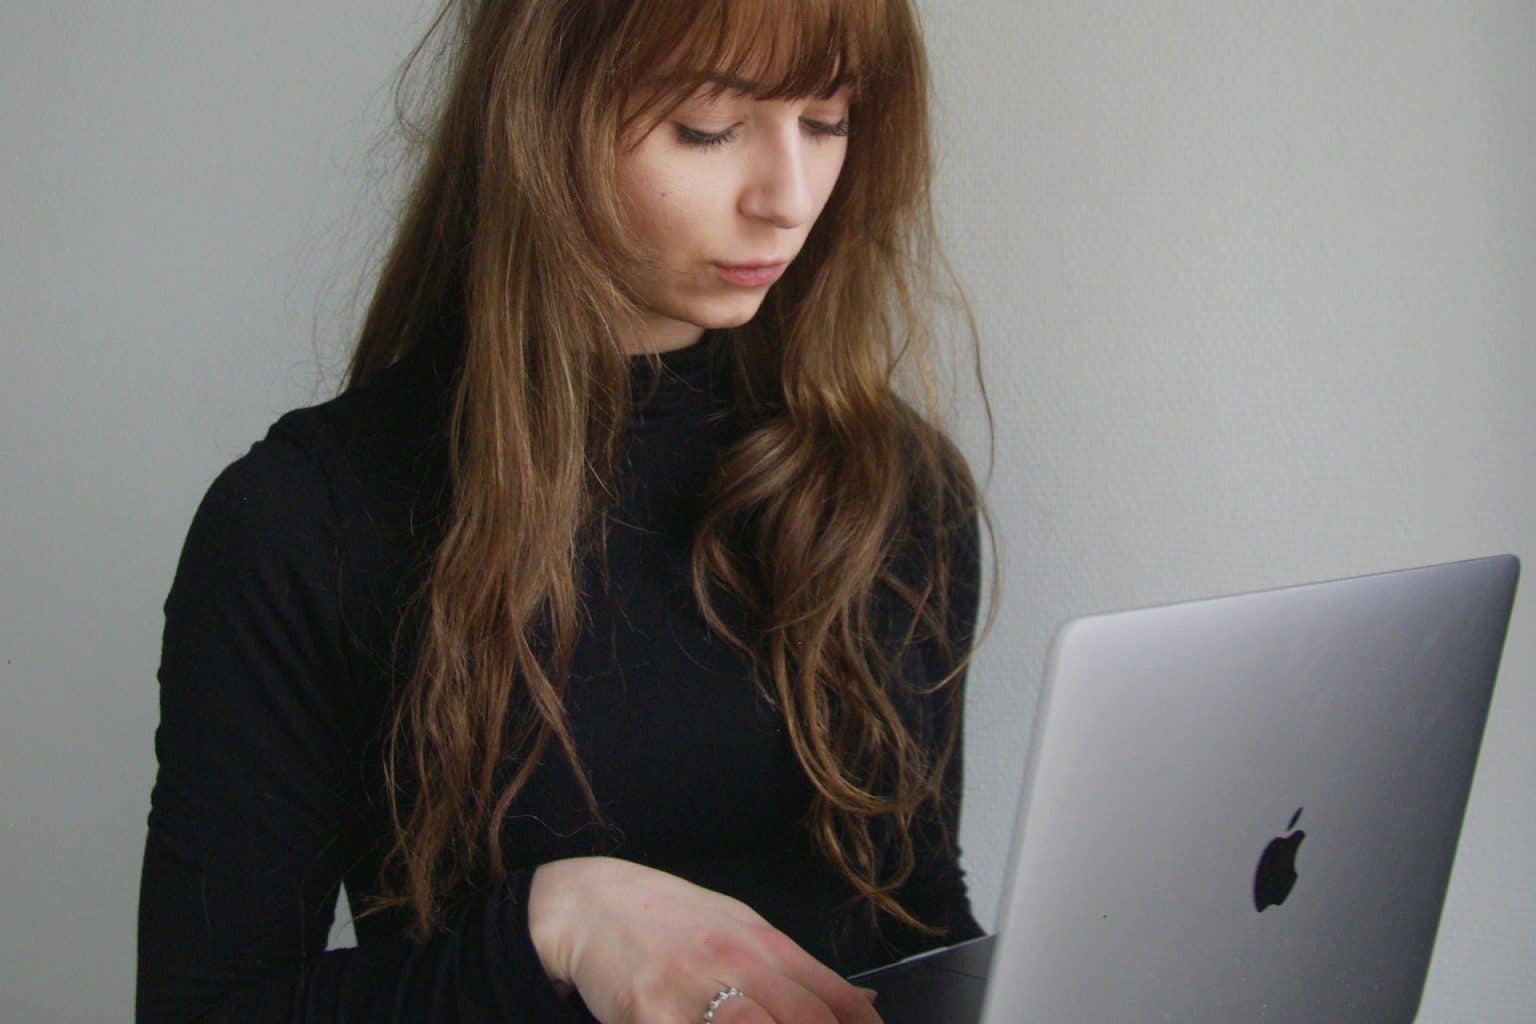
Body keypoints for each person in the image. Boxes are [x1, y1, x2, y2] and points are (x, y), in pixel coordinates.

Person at [135, 1, 998, 1021]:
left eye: (829, 119)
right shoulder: (302, 522)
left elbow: (916, 918)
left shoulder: (892, 482)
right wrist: (555, 924)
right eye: (709, 126)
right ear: (543, 117)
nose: (790, 198)